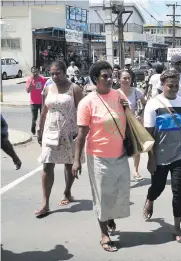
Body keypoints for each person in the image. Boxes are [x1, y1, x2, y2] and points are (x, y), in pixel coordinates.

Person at [73, 61, 131, 252]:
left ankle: (109, 216)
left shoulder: (119, 95)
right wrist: (76, 160)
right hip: (98, 156)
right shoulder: (87, 102)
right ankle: (104, 235)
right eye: (104, 76)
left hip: (121, 154)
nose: (109, 79)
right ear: (95, 79)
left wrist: (127, 108)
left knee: (118, 192)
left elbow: (129, 120)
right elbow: (81, 134)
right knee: (101, 196)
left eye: (110, 75)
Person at [142, 69, 181, 243]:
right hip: (160, 153)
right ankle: (150, 198)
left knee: (178, 191)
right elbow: (148, 136)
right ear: (162, 85)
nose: (174, 89)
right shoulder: (153, 104)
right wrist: (151, 159)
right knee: (158, 186)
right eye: (170, 86)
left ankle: (177, 227)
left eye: (176, 85)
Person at [36, 61, 83, 216]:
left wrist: (81, 133)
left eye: (58, 73)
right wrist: (39, 129)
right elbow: (44, 111)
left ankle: (67, 192)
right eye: (52, 73)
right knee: (47, 165)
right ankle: (45, 203)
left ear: (64, 72)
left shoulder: (74, 89)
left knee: (69, 164)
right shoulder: (48, 88)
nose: (55, 76)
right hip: (50, 131)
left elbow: (82, 112)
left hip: (69, 132)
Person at [117, 70, 147, 181]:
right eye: (124, 78)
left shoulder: (136, 91)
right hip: (120, 125)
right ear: (119, 79)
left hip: (133, 124)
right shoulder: (116, 93)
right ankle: (121, 172)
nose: (126, 80)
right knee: (120, 149)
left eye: (128, 78)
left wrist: (140, 116)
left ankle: (135, 170)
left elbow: (145, 104)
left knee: (136, 148)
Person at [26, 66, 47, 134]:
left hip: (42, 102)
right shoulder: (30, 80)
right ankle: (33, 127)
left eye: (36, 72)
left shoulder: (43, 79)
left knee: (43, 117)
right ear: (32, 72)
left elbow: (46, 89)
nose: (35, 73)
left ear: (38, 71)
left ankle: (42, 130)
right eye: (33, 72)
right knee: (34, 118)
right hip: (33, 102)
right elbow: (28, 91)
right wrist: (32, 81)